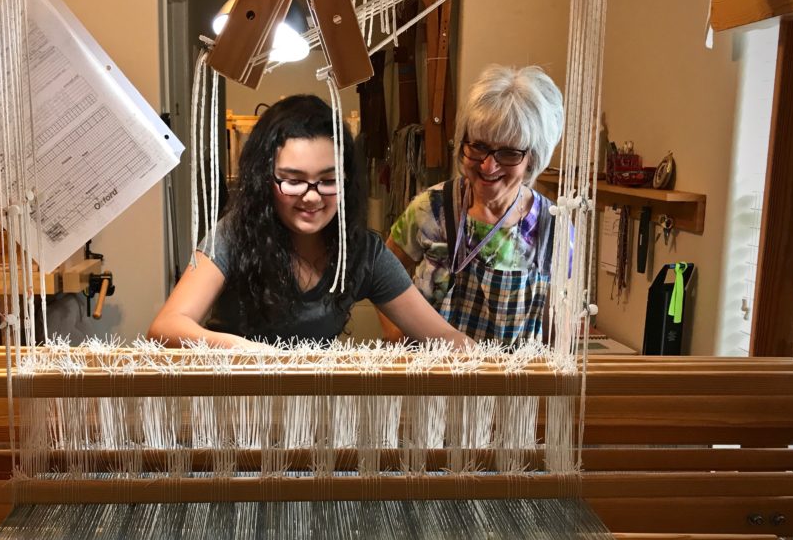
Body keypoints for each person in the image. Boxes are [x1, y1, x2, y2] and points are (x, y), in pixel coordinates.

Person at [148, 95, 472, 349]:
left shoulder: (361, 252)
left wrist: (493, 370)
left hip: (310, 420)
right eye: (293, 181)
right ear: (265, 179)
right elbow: (166, 327)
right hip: (235, 418)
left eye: (328, 180)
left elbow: (441, 336)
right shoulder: (233, 236)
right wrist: (254, 354)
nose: (312, 197)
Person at [383, 65, 565, 346]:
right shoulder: (432, 208)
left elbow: (560, 322)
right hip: (427, 383)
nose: (488, 165)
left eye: (508, 152)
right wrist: (394, 333)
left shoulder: (552, 227)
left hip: (508, 388)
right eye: (479, 146)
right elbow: (382, 270)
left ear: (532, 156)